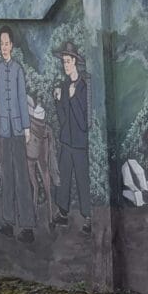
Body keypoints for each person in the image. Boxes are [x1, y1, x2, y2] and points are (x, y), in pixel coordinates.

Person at [0, 25, 35, 243]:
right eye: (1, 44)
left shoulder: (17, 70)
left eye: (6, 43)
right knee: (6, 176)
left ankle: (27, 226)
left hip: (17, 130)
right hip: (4, 132)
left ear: (12, 46)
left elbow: (22, 99)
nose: (4, 47)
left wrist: (26, 128)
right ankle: (8, 222)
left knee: (21, 178)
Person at [52, 41, 91, 236]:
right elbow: (62, 120)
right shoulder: (65, 85)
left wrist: (73, 97)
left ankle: (88, 218)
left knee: (82, 180)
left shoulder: (83, 87)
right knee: (64, 178)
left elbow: (83, 122)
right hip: (66, 141)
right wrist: (58, 101)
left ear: (75, 62)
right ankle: (63, 213)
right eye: (63, 62)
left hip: (80, 143)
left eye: (67, 61)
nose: (65, 65)